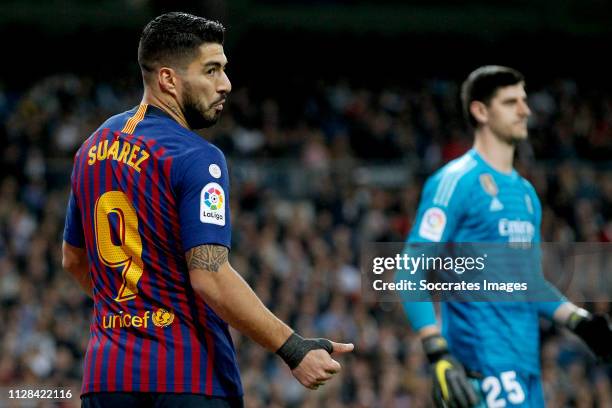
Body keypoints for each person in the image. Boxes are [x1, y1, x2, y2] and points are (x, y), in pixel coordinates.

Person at [61, 12, 353, 408]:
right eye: (212, 70)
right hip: (189, 376)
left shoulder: (90, 149)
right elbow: (210, 276)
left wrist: (134, 313)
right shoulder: (197, 156)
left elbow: (74, 260)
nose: (225, 85)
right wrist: (293, 348)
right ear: (168, 79)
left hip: (106, 378)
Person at [401, 66, 612, 407]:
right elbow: (409, 271)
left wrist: (580, 321)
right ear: (480, 111)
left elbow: (528, 283)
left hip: (525, 371)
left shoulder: (526, 194)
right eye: (511, 102)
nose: (525, 110)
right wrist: (436, 351)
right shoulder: (455, 181)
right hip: (482, 372)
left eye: (525, 101)